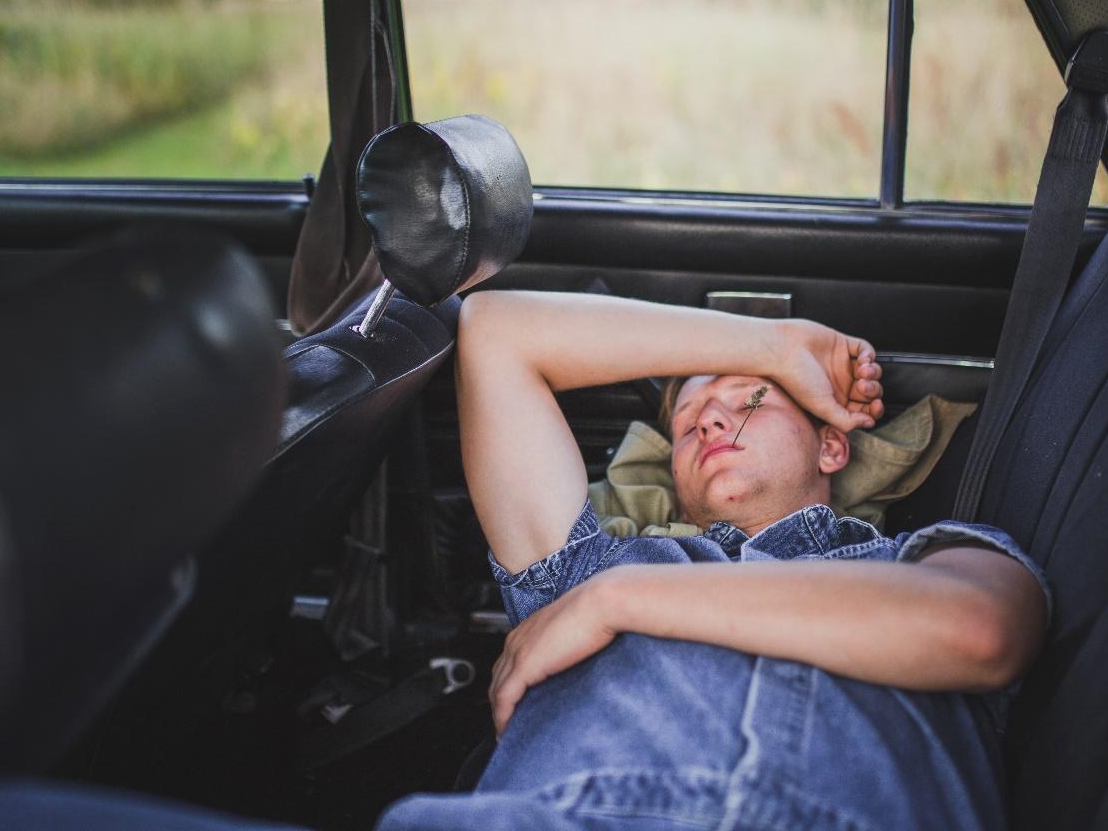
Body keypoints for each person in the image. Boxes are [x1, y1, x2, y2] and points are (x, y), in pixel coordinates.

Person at [377, 291, 1051, 831]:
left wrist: (619, 600)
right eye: (689, 419)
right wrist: (773, 348)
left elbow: (981, 629)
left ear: (832, 447)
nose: (707, 421)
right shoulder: (582, 569)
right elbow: (495, 332)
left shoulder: (920, 561)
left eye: (751, 398)